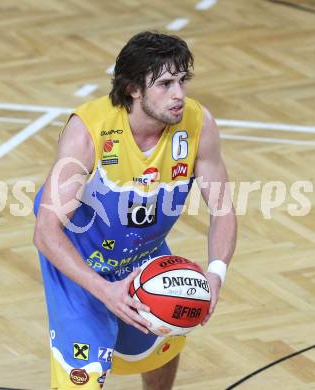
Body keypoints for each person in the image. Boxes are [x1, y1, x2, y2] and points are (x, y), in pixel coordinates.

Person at [33, 31, 237, 390]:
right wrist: (104, 290)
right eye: (165, 84)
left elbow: (222, 208)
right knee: (83, 378)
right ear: (133, 89)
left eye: (182, 81)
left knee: (163, 342)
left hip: (142, 253)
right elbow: (46, 232)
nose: (179, 95)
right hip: (80, 260)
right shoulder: (88, 130)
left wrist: (217, 272)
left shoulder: (197, 123)